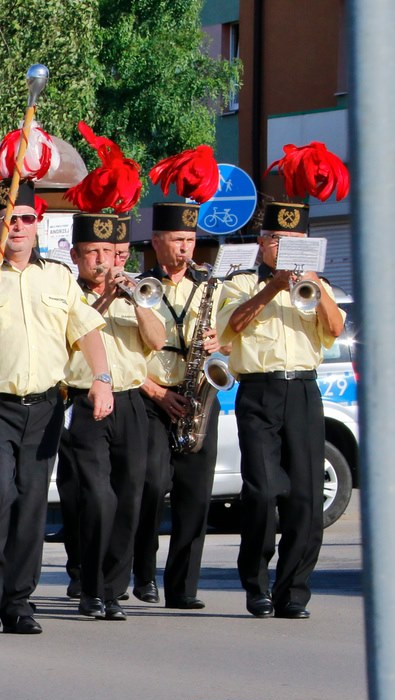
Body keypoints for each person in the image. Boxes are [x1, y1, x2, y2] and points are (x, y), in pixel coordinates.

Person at [0, 181, 111, 634]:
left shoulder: (58, 277)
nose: (18, 226)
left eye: (27, 218)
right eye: (9, 218)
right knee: (0, 494)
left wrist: (102, 380)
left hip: (46, 406)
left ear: (38, 225)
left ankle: (18, 601)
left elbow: (87, 331)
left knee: (31, 501)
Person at [218, 197, 345, 619]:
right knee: (263, 490)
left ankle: (294, 591)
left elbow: (335, 327)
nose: (286, 247)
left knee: (306, 499)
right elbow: (231, 328)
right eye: (279, 239)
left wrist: (308, 281)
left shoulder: (315, 283)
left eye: (295, 240)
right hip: (259, 391)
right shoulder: (240, 282)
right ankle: (256, 584)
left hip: (304, 391)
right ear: (263, 242)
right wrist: (272, 287)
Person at [60, 212, 163, 620]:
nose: (103, 261)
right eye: (93, 253)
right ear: (76, 255)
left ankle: (113, 589)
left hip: (131, 401)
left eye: (109, 252)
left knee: (129, 497)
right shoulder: (69, 294)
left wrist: (136, 301)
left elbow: (156, 341)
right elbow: (76, 335)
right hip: (86, 404)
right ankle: (89, 585)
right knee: (97, 497)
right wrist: (104, 300)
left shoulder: (137, 292)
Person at [133, 202, 223, 610]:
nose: (186, 249)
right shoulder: (141, 285)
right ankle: (143, 571)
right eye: (177, 241)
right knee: (151, 484)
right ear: (156, 242)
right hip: (153, 395)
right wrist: (154, 390)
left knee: (195, 493)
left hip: (197, 396)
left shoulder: (209, 286)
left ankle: (183, 587)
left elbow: (232, 334)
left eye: (190, 241)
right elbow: (125, 353)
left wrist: (219, 343)